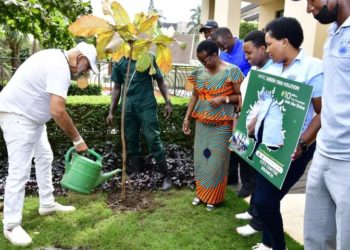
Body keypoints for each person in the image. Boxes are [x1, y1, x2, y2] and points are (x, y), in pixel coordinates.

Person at [0, 42, 97, 246]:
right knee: (19, 172)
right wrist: (78, 139)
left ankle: (47, 204)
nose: (85, 72)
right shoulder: (59, 67)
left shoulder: (56, 58)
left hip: (32, 119)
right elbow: (58, 111)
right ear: (80, 58)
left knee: (45, 157)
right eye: (87, 67)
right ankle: (11, 225)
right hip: (18, 117)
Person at [250, 17, 323, 250]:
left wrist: (302, 144)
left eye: (269, 44)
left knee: (264, 200)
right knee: (267, 201)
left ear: (284, 41)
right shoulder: (273, 67)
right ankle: (268, 243)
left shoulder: (313, 68)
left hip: (294, 149)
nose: (267, 49)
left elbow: (322, 113)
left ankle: (278, 246)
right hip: (266, 143)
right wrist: (247, 127)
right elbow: (263, 102)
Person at [302, 0, 350, 249]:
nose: (310, 8)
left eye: (312, 0)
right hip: (323, 153)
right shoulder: (332, 33)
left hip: (348, 160)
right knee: (316, 239)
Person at [182, 40, 244, 211]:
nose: (203, 64)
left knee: (216, 161)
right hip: (202, 123)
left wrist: (223, 99)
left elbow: (241, 97)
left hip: (222, 124)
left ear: (215, 56)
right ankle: (201, 194)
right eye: (200, 61)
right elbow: (194, 95)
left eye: (205, 60)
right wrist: (187, 117)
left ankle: (214, 197)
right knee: (201, 160)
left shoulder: (232, 72)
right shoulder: (200, 72)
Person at [106, 55, 173, 192]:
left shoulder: (148, 57)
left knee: (152, 138)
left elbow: (160, 80)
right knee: (131, 139)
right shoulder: (119, 60)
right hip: (128, 106)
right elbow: (117, 87)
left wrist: (168, 101)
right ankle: (136, 171)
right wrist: (111, 111)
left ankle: (166, 176)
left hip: (146, 104)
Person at [234, 30, 273, 237]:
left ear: (262, 48)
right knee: (251, 173)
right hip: (247, 127)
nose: (246, 57)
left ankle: (258, 222)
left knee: (260, 177)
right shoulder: (255, 69)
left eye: (249, 53)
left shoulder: (272, 71)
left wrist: (247, 129)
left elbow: (265, 105)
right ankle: (252, 211)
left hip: (259, 131)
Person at [212, 27, 254, 197]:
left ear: (230, 37)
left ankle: (247, 184)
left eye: (223, 45)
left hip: (249, 99)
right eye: (219, 47)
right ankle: (231, 177)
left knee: (242, 141)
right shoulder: (223, 54)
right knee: (233, 142)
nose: (223, 49)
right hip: (233, 103)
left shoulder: (245, 48)